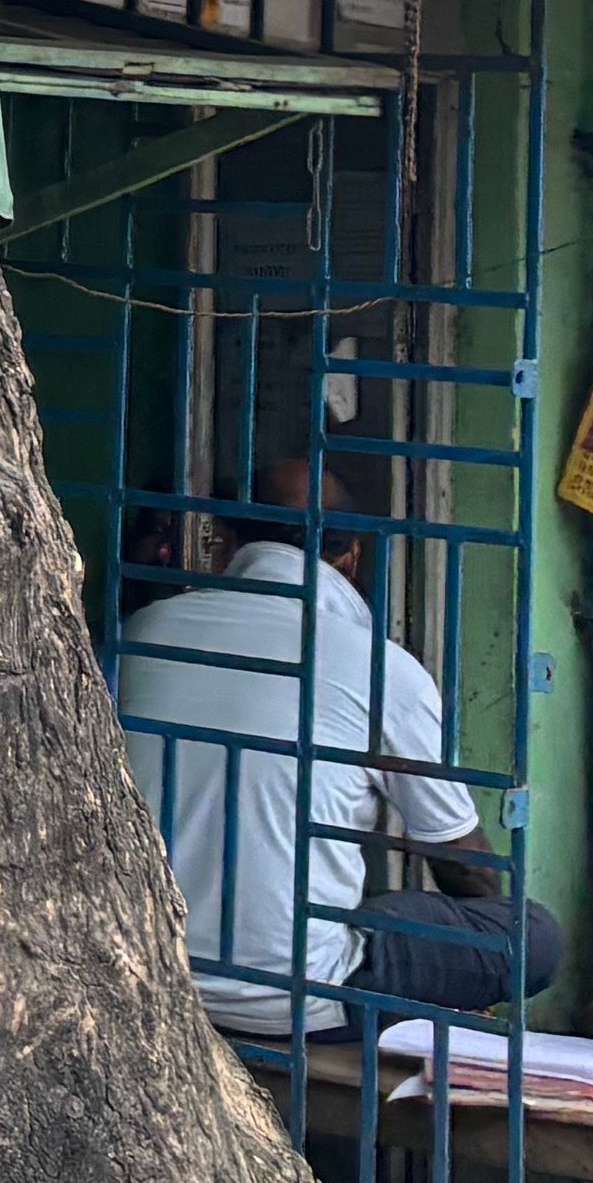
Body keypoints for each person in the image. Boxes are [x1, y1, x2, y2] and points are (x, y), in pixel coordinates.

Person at [112, 442, 558, 1040]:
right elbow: (465, 868)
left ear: (223, 538)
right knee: (530, 934)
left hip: (142, 973)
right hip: (295, 1000)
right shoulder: (377, 667)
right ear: (352, 554)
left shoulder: (143, 633)